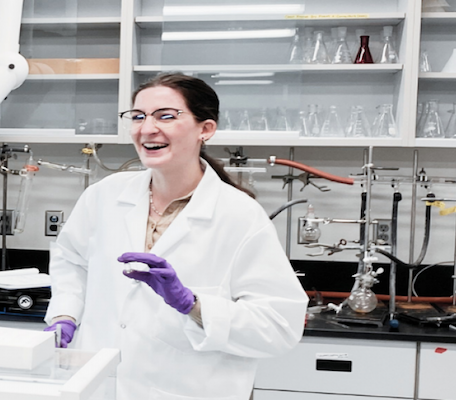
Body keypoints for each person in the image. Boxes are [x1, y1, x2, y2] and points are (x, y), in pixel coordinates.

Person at [43, 73, 307, 399]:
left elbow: (280, 327)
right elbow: (71, 263)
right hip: (98, 386)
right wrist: (65, 314)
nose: (147, 128)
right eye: (138, 116)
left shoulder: (240, 215)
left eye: (165, 116)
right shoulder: (104, 196)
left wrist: (192, 304)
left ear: (205, 129)